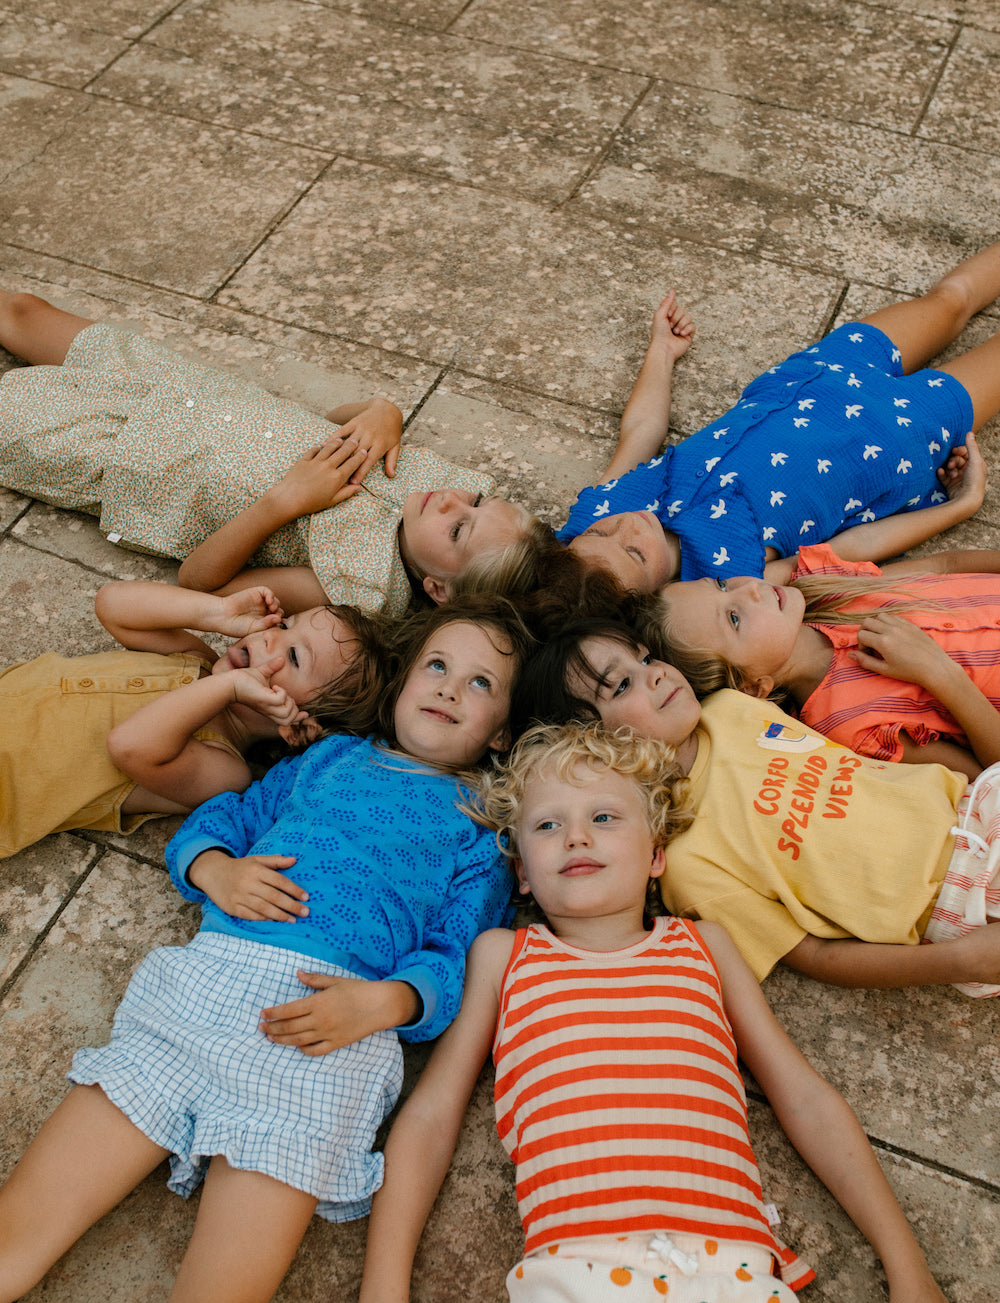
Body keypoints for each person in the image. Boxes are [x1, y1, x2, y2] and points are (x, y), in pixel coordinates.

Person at [311, 722, 988, 1303]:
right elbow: (429, 1121)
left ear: (658, 853)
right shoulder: (505, 957)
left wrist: (912, 1275)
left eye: (605, 816)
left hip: (736, 1299)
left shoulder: (704, 948)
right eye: (546, 824)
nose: (576, 836)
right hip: (570, 1300)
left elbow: (803, 1098)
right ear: (522, 873)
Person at [0, 597, 530, 1303]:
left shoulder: (484, 835)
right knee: (13, 1240)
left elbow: (455, 961)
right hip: (206, 993)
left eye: (479, 685)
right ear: (401, 681)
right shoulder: (322, 758)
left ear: (499, 730)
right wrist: (214, 870)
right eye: (438, 666)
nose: (450, 690)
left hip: (322, 1046)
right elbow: (218, 825)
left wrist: (385, 1003)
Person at [510, 619, 1000, 999]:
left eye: (645, 658)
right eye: (621, 685)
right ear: (591, 747)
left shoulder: (729, 706)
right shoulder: (689, 864)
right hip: (953, 897)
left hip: (973, 803)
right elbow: (816, 956)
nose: (655, 672)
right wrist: (960, 962)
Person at [0, 291, 553, 614]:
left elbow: (200, 586)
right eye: (477, 502)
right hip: (182, 387)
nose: (453, 504)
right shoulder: (433, 483)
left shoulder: (354, 586)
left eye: (460, 531)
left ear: (437, 587)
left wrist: (283, 502)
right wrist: (379, 412)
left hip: (122, 454)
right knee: (23, 310)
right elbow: (328, 429)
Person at [558, 242, 1000, 589]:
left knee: (950, 300)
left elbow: (641, 430)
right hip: (896, 439)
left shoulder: (602, 509)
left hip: (811, 375)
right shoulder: (726, 581)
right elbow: (850, 550)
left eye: (599, 536)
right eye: (634, 555)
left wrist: (662, 352)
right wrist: (959, 508)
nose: (624, 531)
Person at [640, 436, 1000, 778]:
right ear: (751, 687)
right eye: (734, 619)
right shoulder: (849, 725)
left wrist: (963, 504)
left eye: (720, 584)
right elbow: (989, 776)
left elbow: (944, 567)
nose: (748, 588)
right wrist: (940, 673)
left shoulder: (822, 586)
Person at [0, 578, 386, 858]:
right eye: (285, 625)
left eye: (296, 657)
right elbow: (113, 604)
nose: (269, 637)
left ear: (300, 727)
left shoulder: (224, 770)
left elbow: (129, 746)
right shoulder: (194, 660)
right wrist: (215, 612)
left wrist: (229, 687)